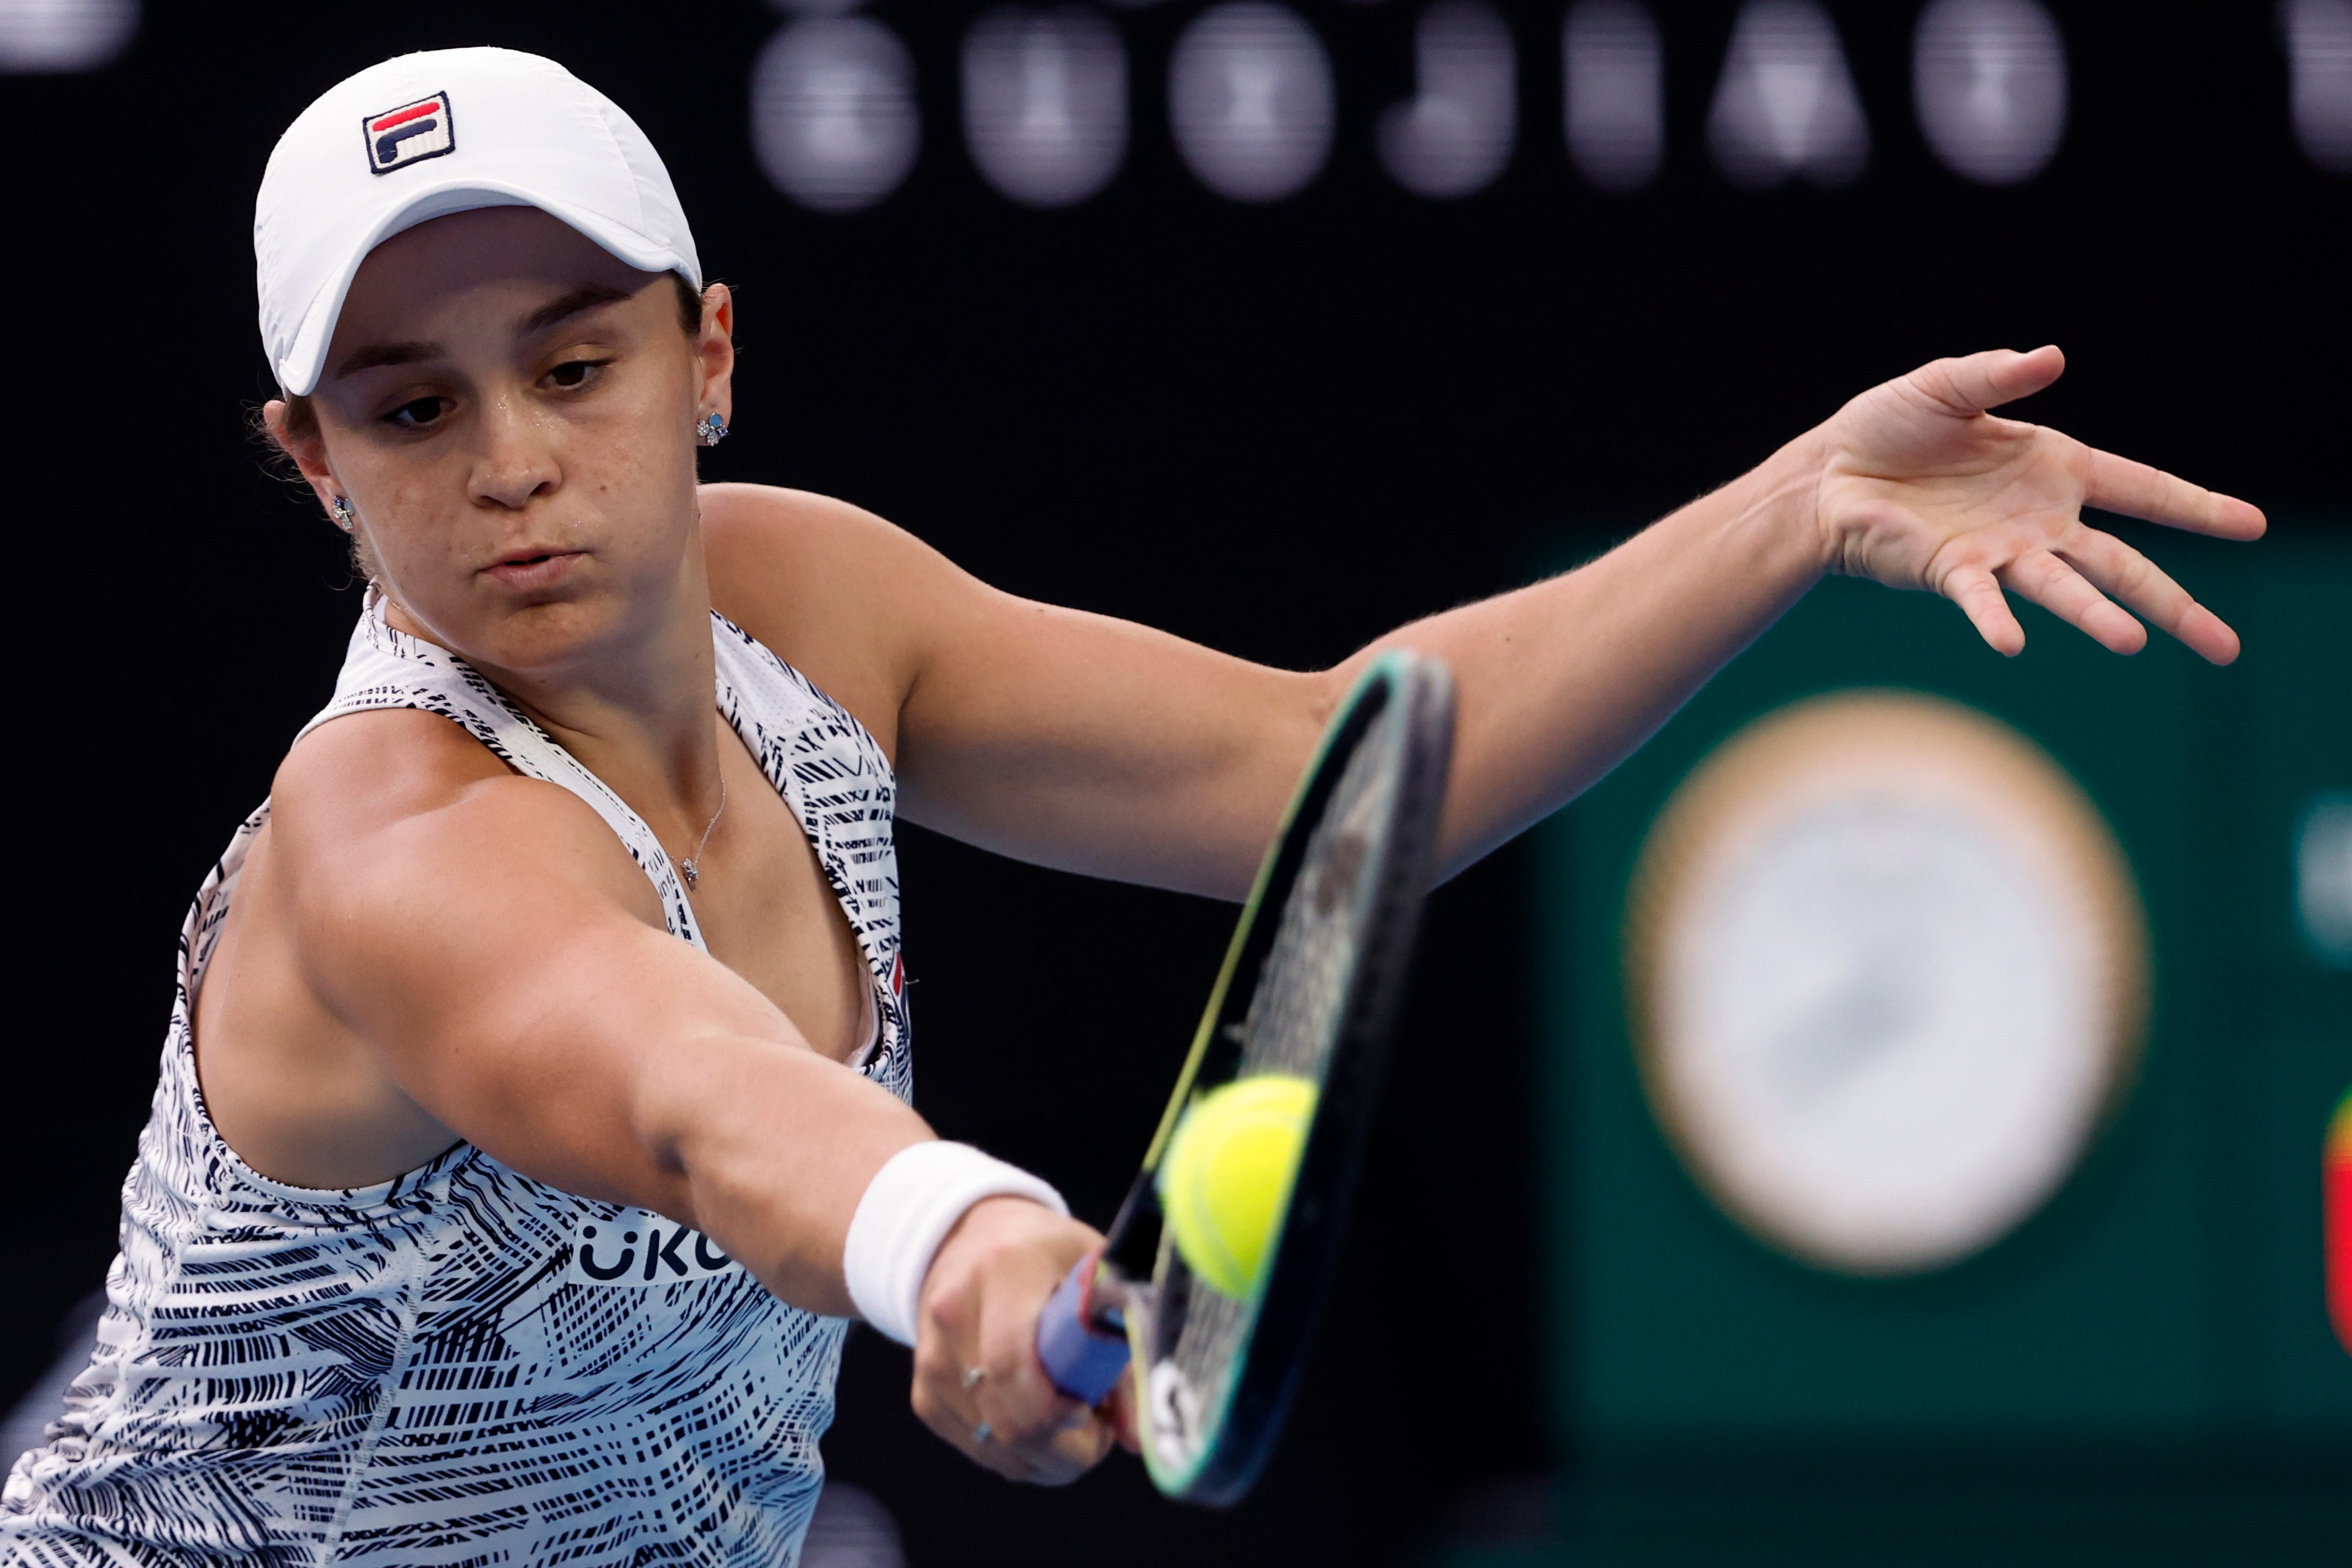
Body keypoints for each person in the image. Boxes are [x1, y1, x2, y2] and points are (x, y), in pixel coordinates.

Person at [0, 45, 2262, 1568]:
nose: (508, 459)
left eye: (574, 366)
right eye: (410, 407)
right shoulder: (394, 842)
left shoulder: (807, 600)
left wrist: (1794, 507)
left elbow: (1321, 774)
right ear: (315, 460)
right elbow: (700, 1102)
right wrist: (971, 1246)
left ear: (708, 353)